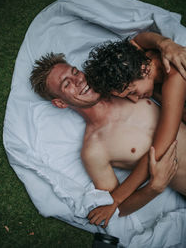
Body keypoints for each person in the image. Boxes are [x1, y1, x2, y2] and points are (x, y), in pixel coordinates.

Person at [30, 32, 186, 228]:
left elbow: (136, 42)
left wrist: (165, 44)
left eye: (75, 72)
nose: (78, 81)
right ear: (60, 103)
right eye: (67, 84)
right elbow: (114, 209)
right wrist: (152, 190)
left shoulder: (120, 82)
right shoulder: (94, 150)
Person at [83, 32, 186, 226]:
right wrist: (164, 43)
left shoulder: (174, 76)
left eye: (131, 91)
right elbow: (137, 41)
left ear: (144, 68)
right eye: (126, 96)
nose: (134, 98)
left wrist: (116, 199)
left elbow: (159, 151)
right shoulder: (143, 61)